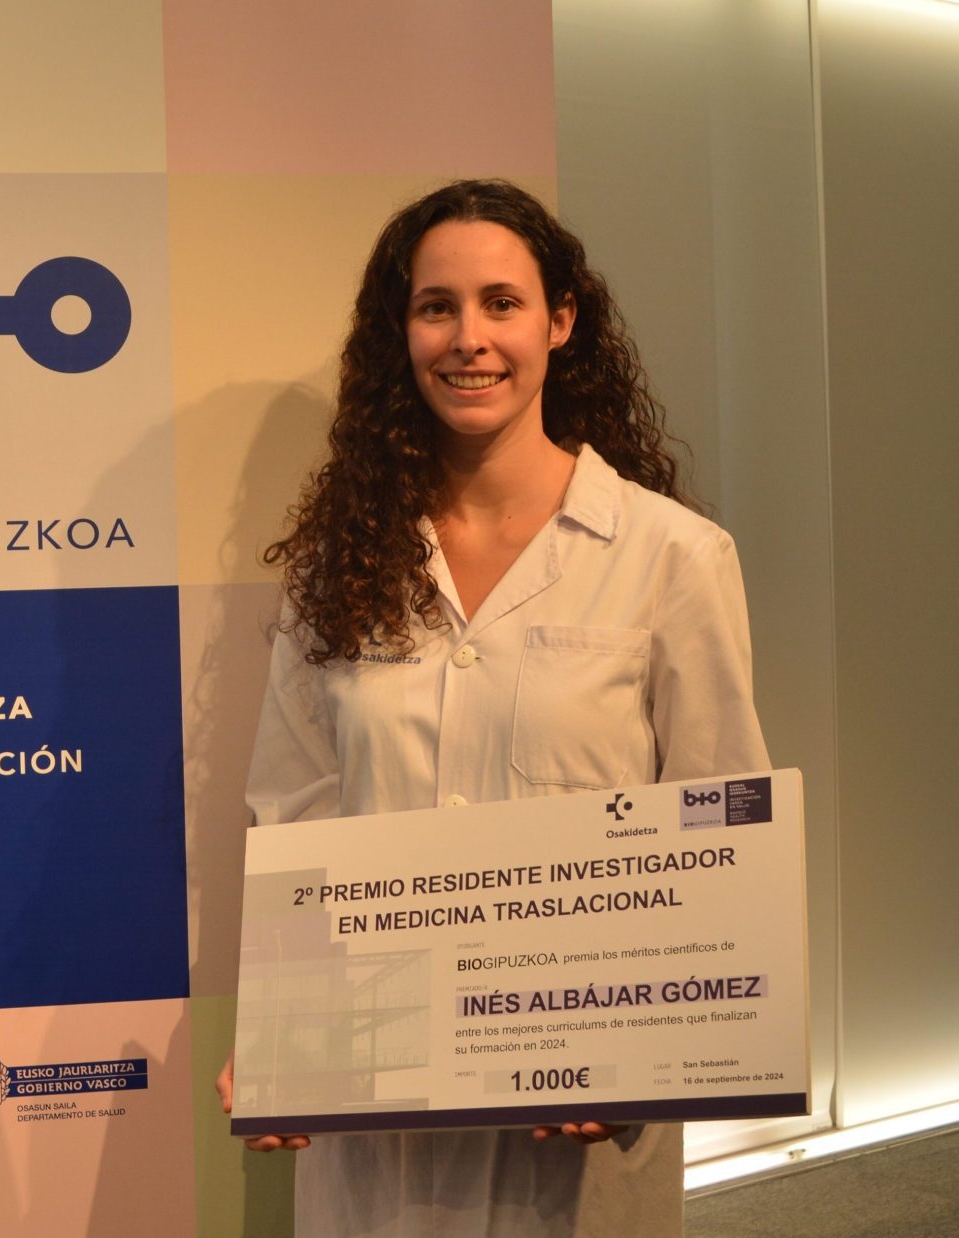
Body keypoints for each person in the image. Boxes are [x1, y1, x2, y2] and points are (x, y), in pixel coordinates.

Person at [216, 179, 769, 1236]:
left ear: (560, 321)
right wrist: (290, 1034)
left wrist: (644, 1058)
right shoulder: (337, 568)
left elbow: (718, 824)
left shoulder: (672, 558)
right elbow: (295, 815)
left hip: (580, 1114)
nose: (468, 338)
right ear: (402, 332)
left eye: (501, 303)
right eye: (437, 307)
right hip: (378, 1112)